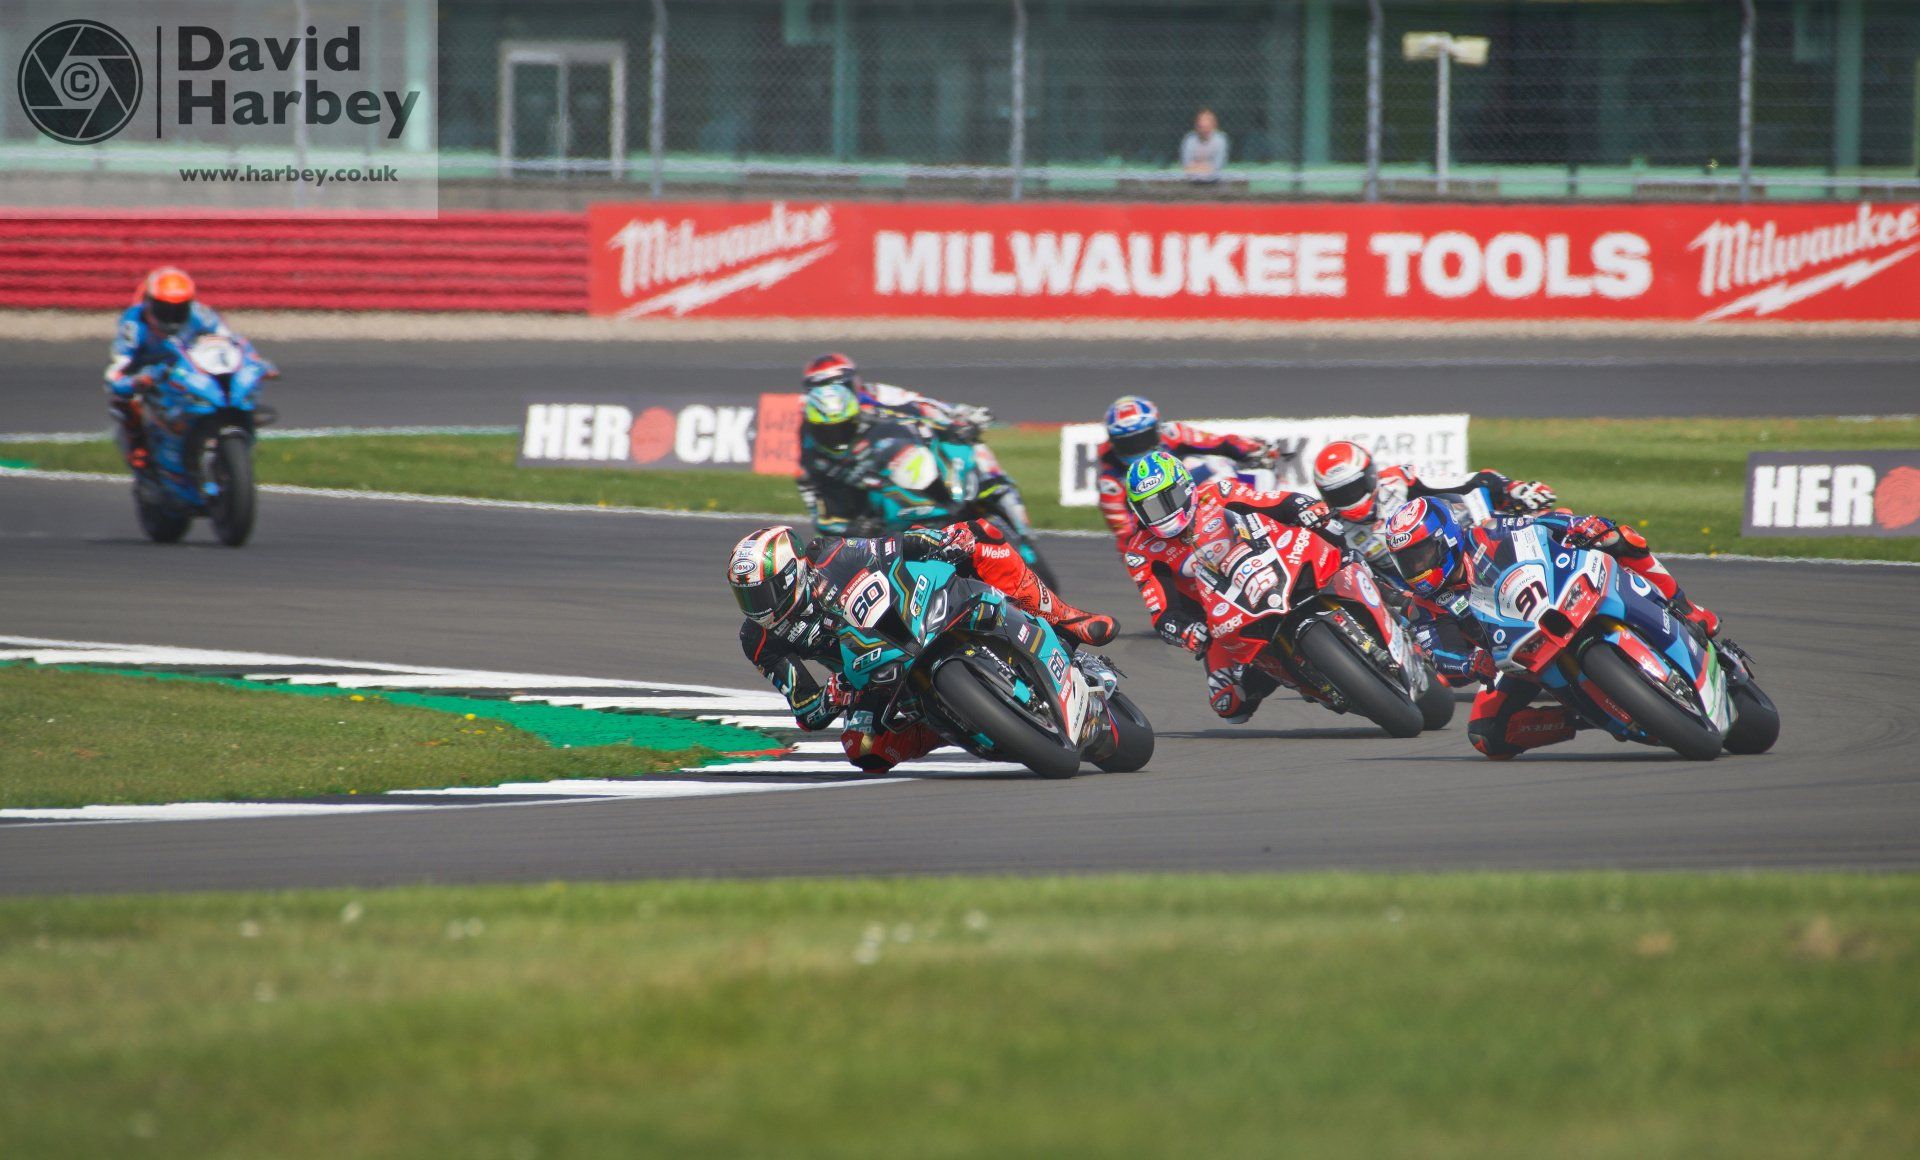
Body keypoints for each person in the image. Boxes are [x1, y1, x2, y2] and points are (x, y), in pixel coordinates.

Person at [730, 522, 1118, 772]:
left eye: (763, 592)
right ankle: (952, 725)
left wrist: (941, 542)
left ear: (793, 573)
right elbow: (806, 710)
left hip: (914, 617)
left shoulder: (831, 554)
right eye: (746, 597)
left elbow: (891, 546)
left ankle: (1065, 618)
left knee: (981, 534)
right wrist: (831, 698)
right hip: (872, 676)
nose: (757, 607)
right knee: (862, 748)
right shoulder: (759, 639)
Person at [1383, 497, 1722, 760]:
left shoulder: (1488, 532)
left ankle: (1689, 610)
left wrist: (1581, 525)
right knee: (1487, 736)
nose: (1416, 568)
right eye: (1408, 562)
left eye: (1421, 555)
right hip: (1514, 654)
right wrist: (1470, 663)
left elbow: (1542, 522)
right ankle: (1581, 716)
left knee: (1621, 539)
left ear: (1446, 541)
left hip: (1559, 595)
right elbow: (1441, 655)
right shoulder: (1427, 604)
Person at [1116, 451, 1337, 724]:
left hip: (1269, 565)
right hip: (1220, 618)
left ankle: (1383, 591)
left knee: (1332, 531)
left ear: (1186, 487)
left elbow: (1274, 502)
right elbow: (1162, 612)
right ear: (1137, 510)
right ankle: (1281, 672)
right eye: (1152, 507)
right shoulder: (1141, 552)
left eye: (1169, 499)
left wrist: (1303, 506)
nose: (1164, 512)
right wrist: (1186, 631)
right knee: (1229, 704)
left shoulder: (1218, 492)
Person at [798, 354, 1003, 536]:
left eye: (840, 383)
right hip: (856, 490)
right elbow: (813, 496)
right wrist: (850, 527)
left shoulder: (876, 394)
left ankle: (957, 500)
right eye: (822, 387)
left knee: (927, 454)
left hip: (894, 460)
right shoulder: (809, 432)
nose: (832, 391)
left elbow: (922, 404)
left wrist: (961, 416)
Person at [103, 267, 272, 472]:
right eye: (164, 308)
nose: (172, 316)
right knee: (123, 399)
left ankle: (241, 413)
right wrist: (132, 381)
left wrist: (254, 362)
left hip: (187, 368)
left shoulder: (201, 314)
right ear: (149, 303)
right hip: (150, 373)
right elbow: (117, 369)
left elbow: (233, 341)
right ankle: (137, 443)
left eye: (179, 308)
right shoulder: (134, 324)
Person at [1095, 395, 1287, 542]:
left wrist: (1254, 449)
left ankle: (1258, 510)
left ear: (1156, 430)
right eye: (1127, 443)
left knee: (1212, 464)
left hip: (1195, 508)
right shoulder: (1110, 481)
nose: (1137, 447)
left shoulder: (1172, 433)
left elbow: (1220, 442)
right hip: (1161, 538)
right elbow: (1125, 533)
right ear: (1113, 442)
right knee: (1212, 466)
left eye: (1141, 439)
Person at [1310, 440, 1558, 526]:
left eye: (1352, 488)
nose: (1349, 498)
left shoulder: (1398, 480)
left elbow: (1465, 482)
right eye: (1340, 494)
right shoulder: (1336, 529)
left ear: (1370, 476)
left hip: (1458, 549)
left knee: (1551, 517)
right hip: (1418, 598)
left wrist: (1512, 489)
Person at [1180, 108, 1229, 181]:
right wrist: (1206, 167)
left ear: (1214, 126)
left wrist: (1197, 167)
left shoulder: (1220, 140)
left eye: (1207, 127)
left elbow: (1217, 166)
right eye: (1201, 127)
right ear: (1196, 127)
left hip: (1215, 181)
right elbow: (1187, 165)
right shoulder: (1189, 140)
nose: (1204, 130)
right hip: (1191, 180)